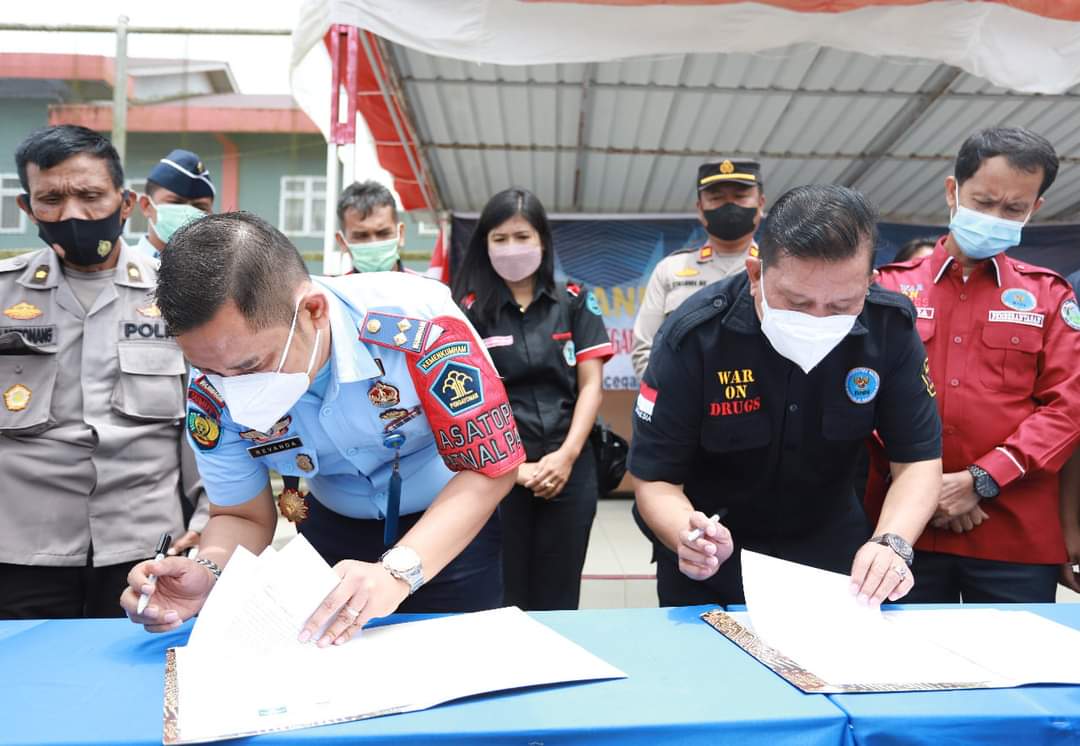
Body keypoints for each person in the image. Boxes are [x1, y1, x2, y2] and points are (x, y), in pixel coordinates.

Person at [120, 212, 525, 644]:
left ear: (313, 311)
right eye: (207, 369)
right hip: (331, 531)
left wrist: (399, 570)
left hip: (448, 523)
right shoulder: (212, 385)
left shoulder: (421, 325)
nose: (233, 390)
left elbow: (489, 468)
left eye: (251, 366)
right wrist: (209, 569)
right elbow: (240, 513)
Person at [630, 184, 943, 607]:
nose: (817, 318)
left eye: (840, 305)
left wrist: (892, 542)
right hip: (714, 566)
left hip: (836, 565)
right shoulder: (695, 336)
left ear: (868, 283)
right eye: (796, 302)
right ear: (757, 273)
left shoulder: (891, 329)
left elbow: (918, 460)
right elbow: (655, 477)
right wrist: (687, 535)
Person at [0, 125, 207, 619]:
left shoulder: (180, 295)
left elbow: (207, 421)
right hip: (22, 548)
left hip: (147, 547)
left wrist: (209, 518)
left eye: (91, 195)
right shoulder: (4, 296)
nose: (72, 214)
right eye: (51, 198)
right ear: (28, 209)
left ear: (126, 201)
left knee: (136, 683)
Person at [868, 127, 1080, 603]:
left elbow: (1068, 407)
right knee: (905, 673)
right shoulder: (887, 289)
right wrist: (930, 488)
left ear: (1035, 209)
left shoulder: (1049, 296)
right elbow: (861, 393)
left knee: (1019, 674)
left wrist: (981, 481)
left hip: (1013, 535)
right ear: (953, 192)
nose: (995, 217)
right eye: (983, 202)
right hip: (901, 534)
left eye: (1013, 209)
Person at [451, 188, 613, 610]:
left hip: (571, 467)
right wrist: (514, 471)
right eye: (500, 239)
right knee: (505, 591)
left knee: (560, 591)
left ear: (542, 240)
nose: (512, 248)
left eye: (522, 237)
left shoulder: (575, 300)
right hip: (498, 472)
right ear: (484, 244)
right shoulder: (466, 311)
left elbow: (591, 385)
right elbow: (463, 402)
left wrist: (566, 457)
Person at [632, 159, 765, 378]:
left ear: (760, 204)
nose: (729, 206)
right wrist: (675, 397)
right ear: (700, 209)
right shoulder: (670, 270)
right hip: (686, 406)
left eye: (740, 197)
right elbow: (645, 351)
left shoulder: (779, 270)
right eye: (716, 198)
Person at [134, 149, 215, 261]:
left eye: (200, 207)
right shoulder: (120, 266)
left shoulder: (223, 272)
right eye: (176, 202)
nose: (188, 214)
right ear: (146, 205)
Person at [335, 180, 417, 274]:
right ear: (342, 242)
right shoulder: (332, 288)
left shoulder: (423, 287)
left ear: (401, 234)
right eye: (361, 236)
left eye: (383, 233)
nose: (374, 243)